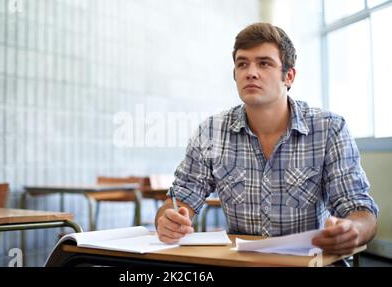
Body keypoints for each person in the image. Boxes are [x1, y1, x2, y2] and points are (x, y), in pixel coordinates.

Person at [155, 22, 378, 255]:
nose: (251, 72)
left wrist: (352, 229)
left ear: (289, 76)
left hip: (309, 262)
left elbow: (360, 209)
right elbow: (180, 199)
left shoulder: (330, 128)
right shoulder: (210, 131)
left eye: (264, 63)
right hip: (241, 263)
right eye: (242, 64)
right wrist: (169, 220)